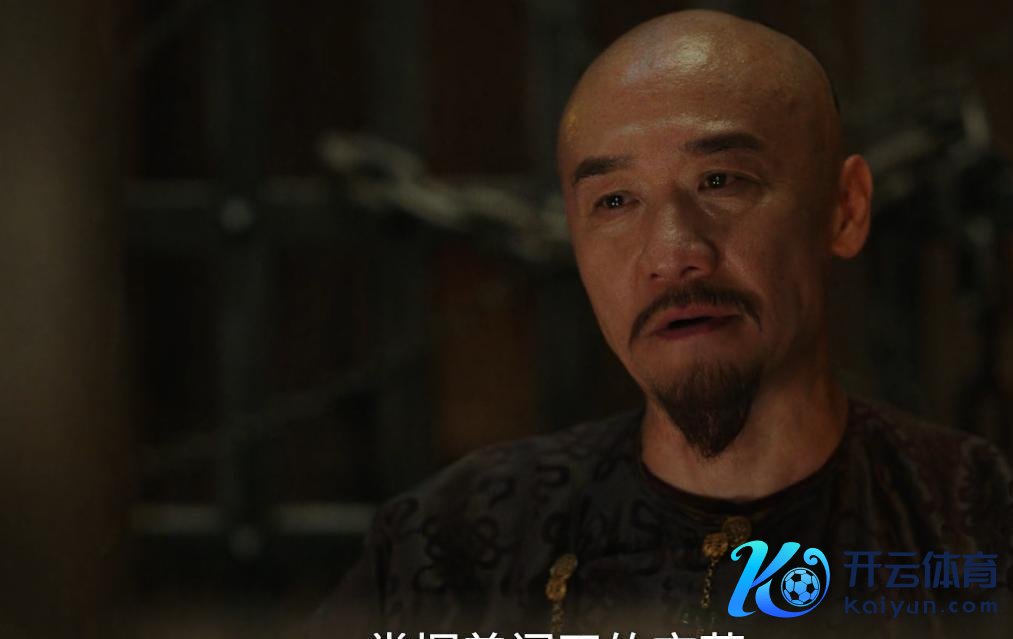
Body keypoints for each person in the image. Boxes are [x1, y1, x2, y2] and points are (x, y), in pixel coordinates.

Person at [304, 10, 1012, 638]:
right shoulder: (450, 549)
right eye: (615, 201)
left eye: (720, 181)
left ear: (844, 208)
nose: (672, 254)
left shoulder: (975, 524)